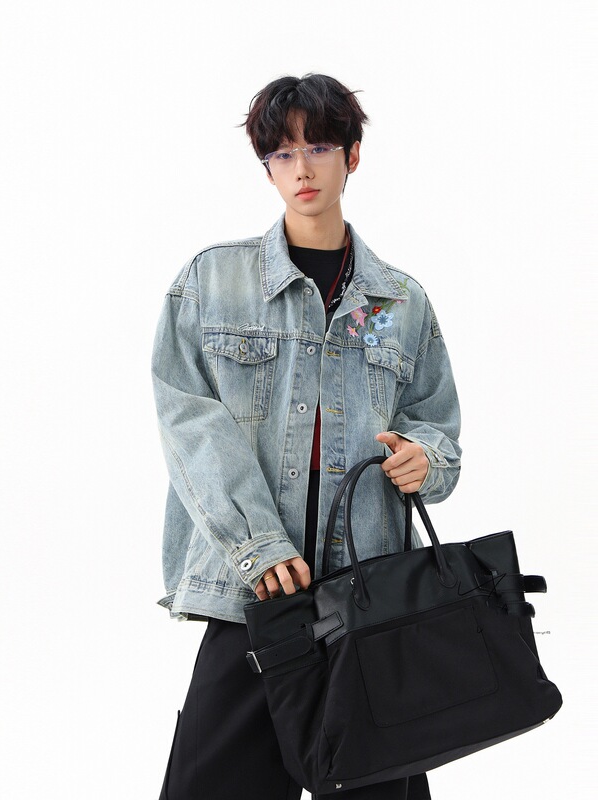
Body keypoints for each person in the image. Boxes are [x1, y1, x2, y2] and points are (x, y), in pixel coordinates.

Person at [152, 73, 461, 800]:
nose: (302, 169)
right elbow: (189, 419)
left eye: (318, 148)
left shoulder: (397, 301)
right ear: (266, 167)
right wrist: (257, 543)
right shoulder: (214, 282)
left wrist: (427, 459)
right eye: (283, 154)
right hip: (259, 593)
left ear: (352, 156)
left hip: (371, 606)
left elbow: (433, 420)